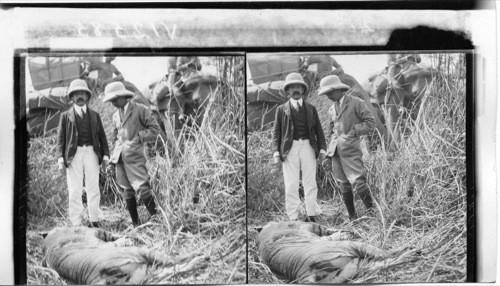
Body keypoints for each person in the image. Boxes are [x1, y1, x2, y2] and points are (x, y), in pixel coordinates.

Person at [103, 81, 162, 227]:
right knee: (127, 191)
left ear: (124, 97)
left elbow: (155, 130)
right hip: (120, 160)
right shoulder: (116, 115)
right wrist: (112, 161)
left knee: (142, 188)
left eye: (115, 99)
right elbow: (118, 139)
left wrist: (139, 138)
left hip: (136, 157)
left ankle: (157, 220)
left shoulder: (140, 110)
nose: (113, 103)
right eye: (111, 101)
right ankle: (136, 224)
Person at [318, 75, 375, 221]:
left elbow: (370, 123)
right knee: (343, 184)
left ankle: (373, 214)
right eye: (326, 94)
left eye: (330, 93)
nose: (328, 96)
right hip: (336, 152)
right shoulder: (332, 109)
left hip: (351, 150)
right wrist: (329, 155)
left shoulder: (357, 103)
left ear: (339, 89)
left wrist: (353, 131)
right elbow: (333, 132)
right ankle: (352, 217)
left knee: (358, 181)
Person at [272, 72, 327, 222]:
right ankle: (293, 216)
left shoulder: (311, 108)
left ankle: (311, 214)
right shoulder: (281, 109)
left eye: (298, 86)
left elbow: (318, 130)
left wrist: (322, 149)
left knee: (310, 181)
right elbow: (276, 132)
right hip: (290, 149)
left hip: (308, 146)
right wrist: (276, 152)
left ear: (303, 90)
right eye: (292, 87)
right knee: (291, 183)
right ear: (288, 91)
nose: (295, 89)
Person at [57, 79, 110, 228]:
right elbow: (61, 139)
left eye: (83, 93)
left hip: (92, 152)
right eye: (76, 94)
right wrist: (61, 160)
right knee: (74, 188)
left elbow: (102, 137)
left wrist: (105, 156)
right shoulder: (65, 116)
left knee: (93, 186)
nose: (80, 96)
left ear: (87, 96)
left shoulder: (94, 115)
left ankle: (94, 219)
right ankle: (76, 222)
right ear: (72, 97)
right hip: (74, 154)